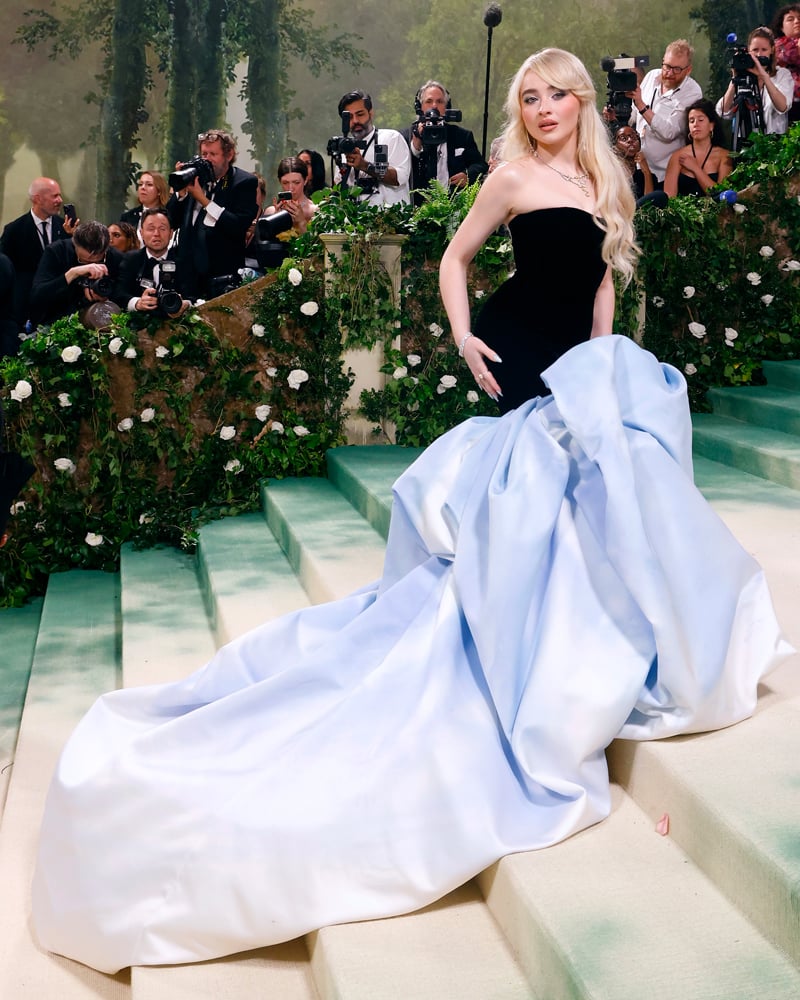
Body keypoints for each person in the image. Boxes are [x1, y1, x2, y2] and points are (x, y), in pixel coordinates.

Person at [31, 48, 790, 975]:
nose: (542, 108)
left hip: (582, 367)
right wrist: (468, 332)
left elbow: (603, 283)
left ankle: (591, 643)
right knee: (530, 511)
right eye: (530, 98)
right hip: (515, 354)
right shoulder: (509, 175)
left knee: (607, 501)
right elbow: (459, 257)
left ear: (583, 101)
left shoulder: (608, 177)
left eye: (555, 95)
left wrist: (603, 369)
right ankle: (524, 648)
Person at [167, 129, 259, 299]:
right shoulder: (194, 178)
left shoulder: (243, 182)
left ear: (229, 154)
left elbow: (238, 225)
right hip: (187, 277)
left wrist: (203, 200)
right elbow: (171, 220)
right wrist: (180, 192)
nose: (207, 159)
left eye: (213, 154)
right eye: (204, 154)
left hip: (222, 279)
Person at [0, 177, 77, 331]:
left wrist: (72, 237)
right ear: (38, 199)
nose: (60, 200)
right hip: (25, 309)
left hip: (58, 308)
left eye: (60, 195)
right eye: (54, 196)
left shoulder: (65, 228)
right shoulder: (14, 230)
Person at [628, 40, 703, 186]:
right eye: (667, 66)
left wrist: (642, 106)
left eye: (676, 69)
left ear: (688, 70)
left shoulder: (692, 92)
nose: (669, 73)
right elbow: (634, 114)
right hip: (638, 168)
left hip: (666, 174)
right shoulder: (651, 76)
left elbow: (670, 132)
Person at [400, 80, 487, 203]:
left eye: (440, 101)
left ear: (447, 107)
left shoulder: (462, 135)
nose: (434, 106)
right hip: (417, 208)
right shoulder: (406, 136)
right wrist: (417, 141)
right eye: (429, 101)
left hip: (453, 206)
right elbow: (402, 171)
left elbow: (480, 165)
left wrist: (467, 175)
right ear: (420, 107)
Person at [29, 221, 123, 328]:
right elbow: (37, 296)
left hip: (100, 324)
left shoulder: (116, 258)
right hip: (56, 321)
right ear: (75, 244)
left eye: (98, 261)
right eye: (84, 261)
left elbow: (122, 295)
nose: (91, 265)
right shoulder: (57, 251)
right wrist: (72, 273)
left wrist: (105, 296)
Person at [332, 90, 411, 206]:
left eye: (360, 114)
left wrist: (364, 165)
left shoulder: (391, 138)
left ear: (370, 113)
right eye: (349, 117)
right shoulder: (344, 149)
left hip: (392, 220)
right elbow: (339, 190)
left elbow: (398, 178)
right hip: (356, 221)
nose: (355, 121)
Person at [113, 208, 192, 319]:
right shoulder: (131, 260)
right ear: (141, 233)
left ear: (171, 233)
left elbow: (193, 295)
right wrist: (138, 303)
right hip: (138, 326)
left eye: (162, 229)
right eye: (151, 229)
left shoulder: (183, 261)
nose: (156, 234)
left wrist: (184, 305)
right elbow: (119, 293)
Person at [718, 26, 794, 135]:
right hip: (746, 144)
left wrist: (764, 77)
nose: (759, 55)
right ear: (749, 50)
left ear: (772, 50)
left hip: (773, 143)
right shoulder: (743, 76)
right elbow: (723, 111)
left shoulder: (782, 75)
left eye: (764, 50)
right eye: (755, 50)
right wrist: (735, 79)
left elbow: (783, 107)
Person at [663, 100, 732, 198]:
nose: (695, 124)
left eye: (700, 120)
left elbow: (722, 196)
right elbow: (669, 197)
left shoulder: (724, 156)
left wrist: (695, 169)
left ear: (711, 126)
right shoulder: (678, 156)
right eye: (691, 121)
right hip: (684, 211)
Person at [261, 156, 317, 236]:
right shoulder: (271, 211)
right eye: (285, 183)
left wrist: (301, 222)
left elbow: (316, 246)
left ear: (305, 180)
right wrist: (276, 221)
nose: (290, 188)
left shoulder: (315, 211)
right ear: (280, 181)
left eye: (296, 182)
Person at [612, 125, 657, 200]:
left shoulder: (644, 176)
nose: (630, 140)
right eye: (624, 138)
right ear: (615, 145)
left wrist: (646, 172)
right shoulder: (609, 173)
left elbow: (648, 204)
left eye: (633, 137)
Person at [772, 4, 800, 123]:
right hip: (790, 105)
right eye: (790, 19)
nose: (797, 21)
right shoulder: (777, 45)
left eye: (799, 18)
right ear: (781, 27)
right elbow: (788, 56)